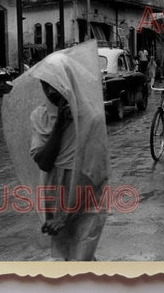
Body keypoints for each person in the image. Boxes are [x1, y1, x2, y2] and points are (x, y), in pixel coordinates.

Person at [27, 44, 109, 261]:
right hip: (55, 190)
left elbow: (96, 172)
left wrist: (69, 214)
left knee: (83, 251)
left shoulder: (91, 118)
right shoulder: (40, 117)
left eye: (57, 84)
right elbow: (43, 162)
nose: (52, 92)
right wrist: (60, 125)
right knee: (65, 252)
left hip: (85, 193)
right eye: (46, 85)